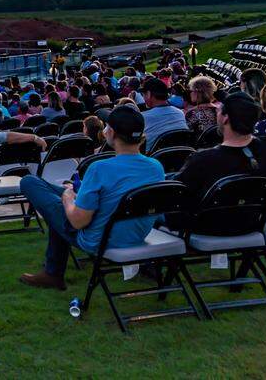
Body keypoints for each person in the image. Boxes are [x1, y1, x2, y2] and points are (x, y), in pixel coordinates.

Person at [18, 106, 165, 290]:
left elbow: (78, 222)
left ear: (111, 132)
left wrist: (68, 198)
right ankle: (52, 272)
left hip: (99, 240)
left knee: (30, 182)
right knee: (53, 192)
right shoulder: (155, 166)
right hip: (134, 235)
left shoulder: (99, 168)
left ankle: (53, 273)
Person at [139, 76, 187, 145]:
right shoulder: (180, 113)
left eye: (143, 94)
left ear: (149, 94)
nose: (143, 97)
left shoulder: (142, 118)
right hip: (182, 151)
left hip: (154, 152)